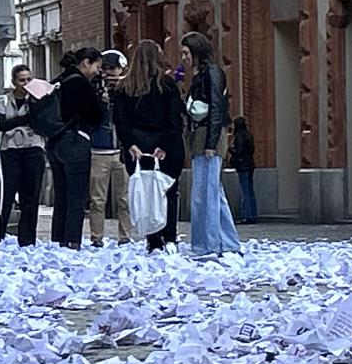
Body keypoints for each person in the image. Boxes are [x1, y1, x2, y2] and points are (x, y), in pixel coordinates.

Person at [113, 39, 186, 252]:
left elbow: (120, 119)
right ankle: (170, 236)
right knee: (169, 192)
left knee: (146, 194)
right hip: (166, 146)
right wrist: (164, 145)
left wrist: (130, 144)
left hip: (138, 147)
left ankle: (153, 240)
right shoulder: (167, 85)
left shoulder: (124, 87)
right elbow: (175, 118)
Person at [180, 31, 242, 255]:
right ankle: (228, 242)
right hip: (202, 134)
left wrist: (211, 142)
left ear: (196, 52)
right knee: (213, 192)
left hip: (209, 135)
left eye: (186, 53)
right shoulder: (200, 75)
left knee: (204, 194)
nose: (183, 57)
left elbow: (217, 106)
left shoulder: (212, 73)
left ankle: (208, 244)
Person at [48, 48, 105, 249]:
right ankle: (73, 239)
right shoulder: (82, 84)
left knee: (61, 193)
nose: (97, 72)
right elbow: (96, 115)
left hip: (55, 142)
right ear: (86, 63)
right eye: (97, 66)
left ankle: (59, 239)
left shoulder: (58, 80)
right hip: (75, 139)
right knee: (76, 195)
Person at [0, 64, 47, 247]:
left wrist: (15, 122)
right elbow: (2, 124)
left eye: (28, 79)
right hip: (10, 150)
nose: (25, 83)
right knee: (6, 195)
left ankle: (27, 240)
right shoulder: (3, 100)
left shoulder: (38, 100)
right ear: (14, 82)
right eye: (21, 80)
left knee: (30, 196)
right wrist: (25, 120)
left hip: (33, 149)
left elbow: (41, 121)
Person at [87, 50, 134, 246]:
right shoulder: (94, 89)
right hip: (99, 149)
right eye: (104, 69)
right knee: (97, 199)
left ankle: (125, 236)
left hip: (122, 150)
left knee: (125, 199)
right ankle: (96, 237)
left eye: (113, 69)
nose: (109, 73)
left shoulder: (128, 89)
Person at [228, 117, 257, 224]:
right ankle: (253, 214)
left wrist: (230, 149)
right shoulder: (249, 135)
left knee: (245, 192)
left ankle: (247, 216)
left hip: (243, 165)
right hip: (250, 164)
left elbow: (239, 151)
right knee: (250, 191)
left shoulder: (239, 136)